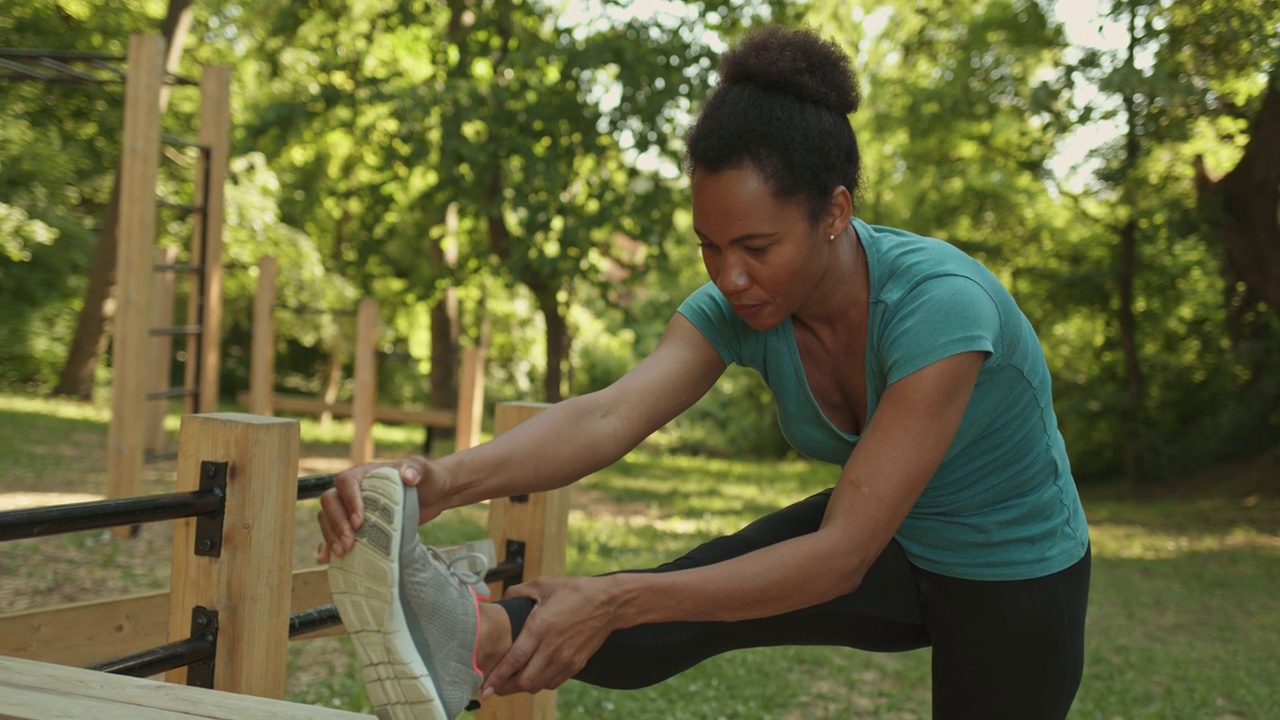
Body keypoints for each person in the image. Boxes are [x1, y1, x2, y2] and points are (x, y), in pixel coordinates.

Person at [317, 24, 1091, 720]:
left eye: (756, 248)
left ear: (834, 213)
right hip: (899, 538)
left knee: (633, 600)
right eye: (709, 246)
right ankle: (470, 634)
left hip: (1013, 574)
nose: (730, 276)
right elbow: (611, 414)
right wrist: (438, 482)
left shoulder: (940, 307)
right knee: (668, 609)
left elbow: (841, 554)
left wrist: (615, 599)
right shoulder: (738, 306)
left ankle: (519, 623)